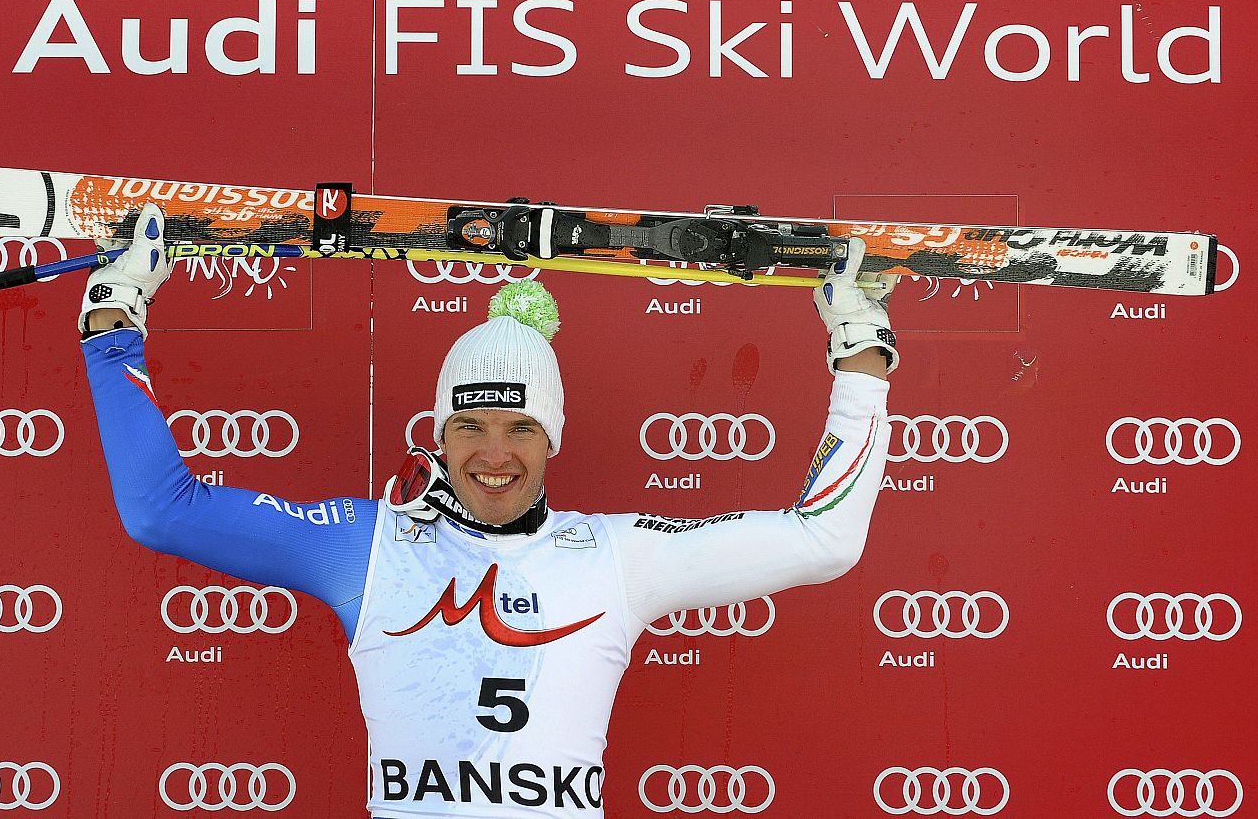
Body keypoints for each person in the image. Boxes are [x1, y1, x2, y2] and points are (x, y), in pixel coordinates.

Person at [79, 203, 895, 817]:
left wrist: (860, 354)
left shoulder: (615, 556)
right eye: (468, 425)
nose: (493, 453)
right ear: (440, 434)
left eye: (520, 428)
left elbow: (822, 538)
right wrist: (114, 319)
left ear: (553, 439)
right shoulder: (373, 547)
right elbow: (161, 511)